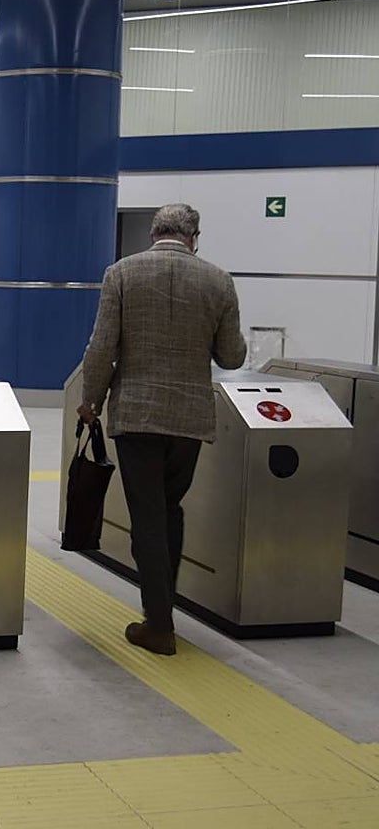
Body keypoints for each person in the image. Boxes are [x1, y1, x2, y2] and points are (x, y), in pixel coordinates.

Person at [79, 203, 246, 656]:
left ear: (154, 233)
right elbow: (232, 357)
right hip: (189, 420)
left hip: (136, 415)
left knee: (147, 516)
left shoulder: (122, 273)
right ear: (195, 236)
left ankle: (159, 623)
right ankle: (164, 609)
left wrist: (90, 402)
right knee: (170, 509)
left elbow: (101, 348)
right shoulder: (218, 280)